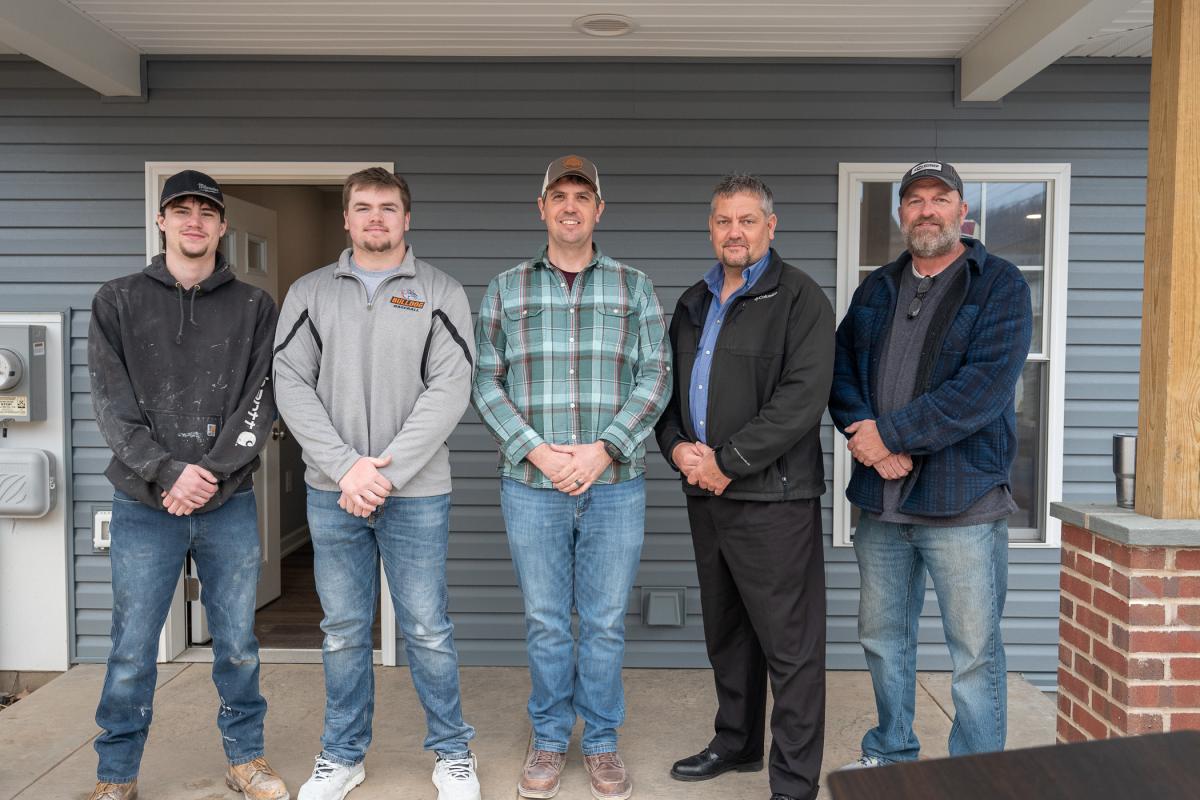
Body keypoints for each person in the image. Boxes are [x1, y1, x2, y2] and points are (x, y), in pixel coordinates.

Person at [272, 168, 479, 800]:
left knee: (425, 627)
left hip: (415, 493)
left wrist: (382, 472)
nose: (376, 219)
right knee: (342, 629)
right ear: (346, 219)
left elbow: (450, 389)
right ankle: (341, 755)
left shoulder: (440, 291)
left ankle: (452, 753)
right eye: (363, 208)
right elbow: (289, 383)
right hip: (333, 491)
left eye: (388, 208)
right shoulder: (310, 293)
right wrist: (346, 467)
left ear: (406, 218)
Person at [472, 155, 671, 800]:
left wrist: (603, 451)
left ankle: (604, 743)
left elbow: (656, 375)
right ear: (542, 208)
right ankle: (552, 738)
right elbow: (485, 380)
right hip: (531, 485)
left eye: (581, 196)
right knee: (548, 620)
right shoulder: (506, 289)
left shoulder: (634, 287)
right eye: (558, 195)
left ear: (598, 209)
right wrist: (538, 452)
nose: (569, 206)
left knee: (607, 621)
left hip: (615, 483)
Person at [87, 170, 286, 800]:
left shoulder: (255, 306)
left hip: (228, 504)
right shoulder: (116, 300)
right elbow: (110, 406)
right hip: (144, 504)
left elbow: (261, 398)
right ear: (162, 220)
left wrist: (213, 473)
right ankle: (116, 775)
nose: (194, 220)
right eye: (182, 209)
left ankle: (246, 760)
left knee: (237, 644)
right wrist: (169, 472)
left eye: (206, 211)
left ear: (223, 226)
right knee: (131, 651)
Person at [829, 160, 1032, 767]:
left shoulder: (999, 283)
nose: (926, 210)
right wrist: (862, 434)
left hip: (963, 502)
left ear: (961, 210)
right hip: (881, 505)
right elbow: (841, 370)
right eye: (914, 200)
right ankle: (891, 753)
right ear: (901, 214)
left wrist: (890, 436)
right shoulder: (878, 287)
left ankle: (974, 771)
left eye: (939, 198)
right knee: (883, 641)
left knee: (973, 650)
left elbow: (983, 388)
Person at [655, 173, 834, 800]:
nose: (735, 232)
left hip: (773, 499)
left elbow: (801, 400)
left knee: (790, 646)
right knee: (727, 632)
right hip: (704, 495)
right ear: (711, 229)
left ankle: (793, 782)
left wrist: (726, 461)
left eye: (748, 220)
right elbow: (666, 396)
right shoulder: (692, 302)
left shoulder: (800, 298)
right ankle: (736, 743)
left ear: (770, 226)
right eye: (724, 221)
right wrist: (678, 447)